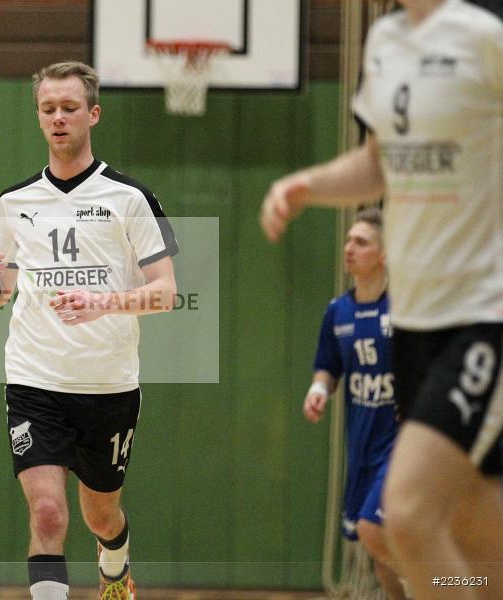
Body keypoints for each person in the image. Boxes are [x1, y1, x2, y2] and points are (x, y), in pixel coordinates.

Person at [261, 1, 503, 598]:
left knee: (407, 514)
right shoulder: (385, 42)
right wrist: (308, 185)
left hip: (478, 316)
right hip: (414, 328)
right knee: (474, 538)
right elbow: (378, 163)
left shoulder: (483, 39)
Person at [0, 61, 178, 600]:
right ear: (39, 117)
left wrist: (104, 301)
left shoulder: (131, 197)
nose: (58, 118)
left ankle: (116, 560)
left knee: (100, 516)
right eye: (48, 109)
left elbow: (167, 292)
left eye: (69, 108)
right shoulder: (14, 202)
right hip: (35, 381)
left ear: (93, 114)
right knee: (50, 514)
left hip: (108, 387)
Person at [306, 207, 405, 600]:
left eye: (360, 242)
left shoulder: (405, 310)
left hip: (400, 444)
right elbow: (327, 367)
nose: (349, 248)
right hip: (361, 442)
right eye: (348, 240)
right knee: (376, 547)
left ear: (383, 254)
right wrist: (318, 391)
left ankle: (446, 586)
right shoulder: (338, 311)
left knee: (373, 530)